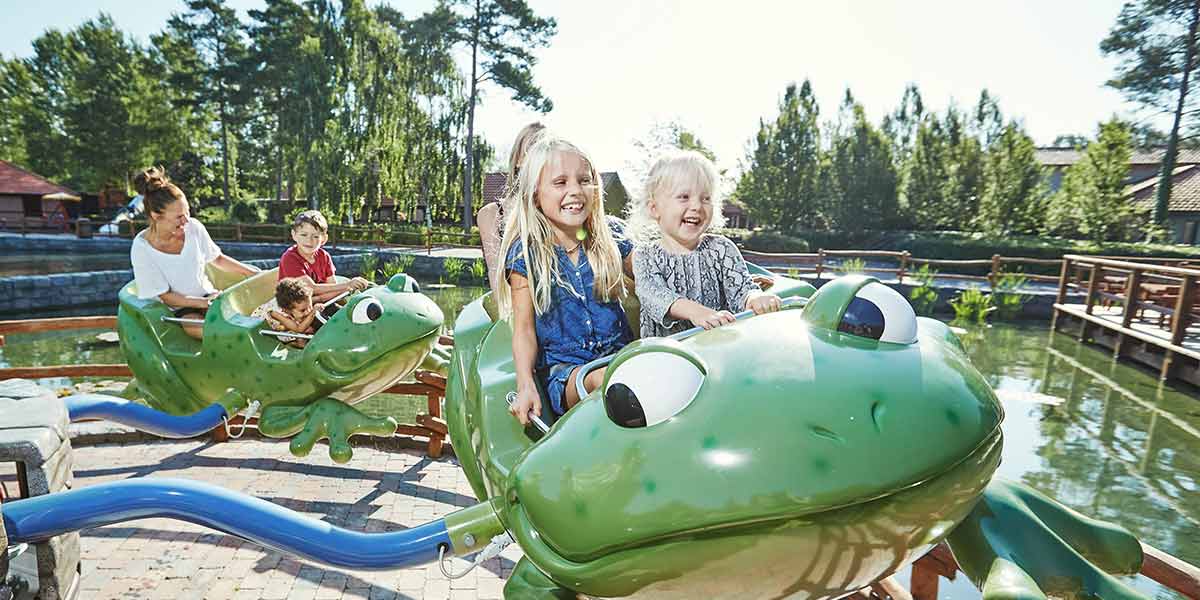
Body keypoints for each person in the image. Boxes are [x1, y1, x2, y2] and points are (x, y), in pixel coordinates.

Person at [498, 135, 634, 425]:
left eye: (584, 180)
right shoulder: (526, 253)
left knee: (640, 374)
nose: (575, 191)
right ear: (536, 194)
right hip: (568, 372)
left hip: (622, 357)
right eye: (560, 183)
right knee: (608, 381)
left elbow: (654, 276)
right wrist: (525, 384)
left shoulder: (611, 236)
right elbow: (523, 330)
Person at [630, 150, 782, 338]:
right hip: (670, 354)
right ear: (655, 209)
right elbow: (653, 294)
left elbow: (741, 287)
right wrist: (696, 312)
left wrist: (755, 298)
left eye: (706, 198)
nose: (697, 206)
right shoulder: (646, 255)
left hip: (718, 345)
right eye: (684, 197)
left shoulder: (721, 249)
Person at [129, 167, 260, 340]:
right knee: (211, 332)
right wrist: (204, 304)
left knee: (249, 322)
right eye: (179, 217)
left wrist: (255, 274)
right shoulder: (142, 248)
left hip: (209, 296)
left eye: (187, 212)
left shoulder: (194, 227)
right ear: (155, 216)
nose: (186, 220)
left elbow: (217, 259)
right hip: (177, 309)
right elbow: (166, 297)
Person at [479, 122, 547, 290]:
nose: (538, 155)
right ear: (518, 159)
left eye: (546, 150)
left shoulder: (560, 212)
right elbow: (496, 275)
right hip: (513, 308)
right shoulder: (492, 214)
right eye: (532, 147)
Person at [279, 210, 370, 303]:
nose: (309, 240)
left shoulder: (324, 256)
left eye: (315, 236)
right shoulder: (290, 258)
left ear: (324, 239)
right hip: (294, 309)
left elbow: (332, 287)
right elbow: (311, 288)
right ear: (294, 235)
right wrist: (348, 285)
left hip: (320, 303)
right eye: (303, 235)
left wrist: (346, 289)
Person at [252, 277, 319, 348]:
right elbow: (298, 329)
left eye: (310, 306)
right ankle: (294, 344)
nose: (308, 311)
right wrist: (313, 312)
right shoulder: (276, 313)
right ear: (286, 310)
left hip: (283, 323)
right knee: (302, 331)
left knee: (309, 327)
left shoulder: (297, 304)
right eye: (303, 310)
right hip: (265, 329)